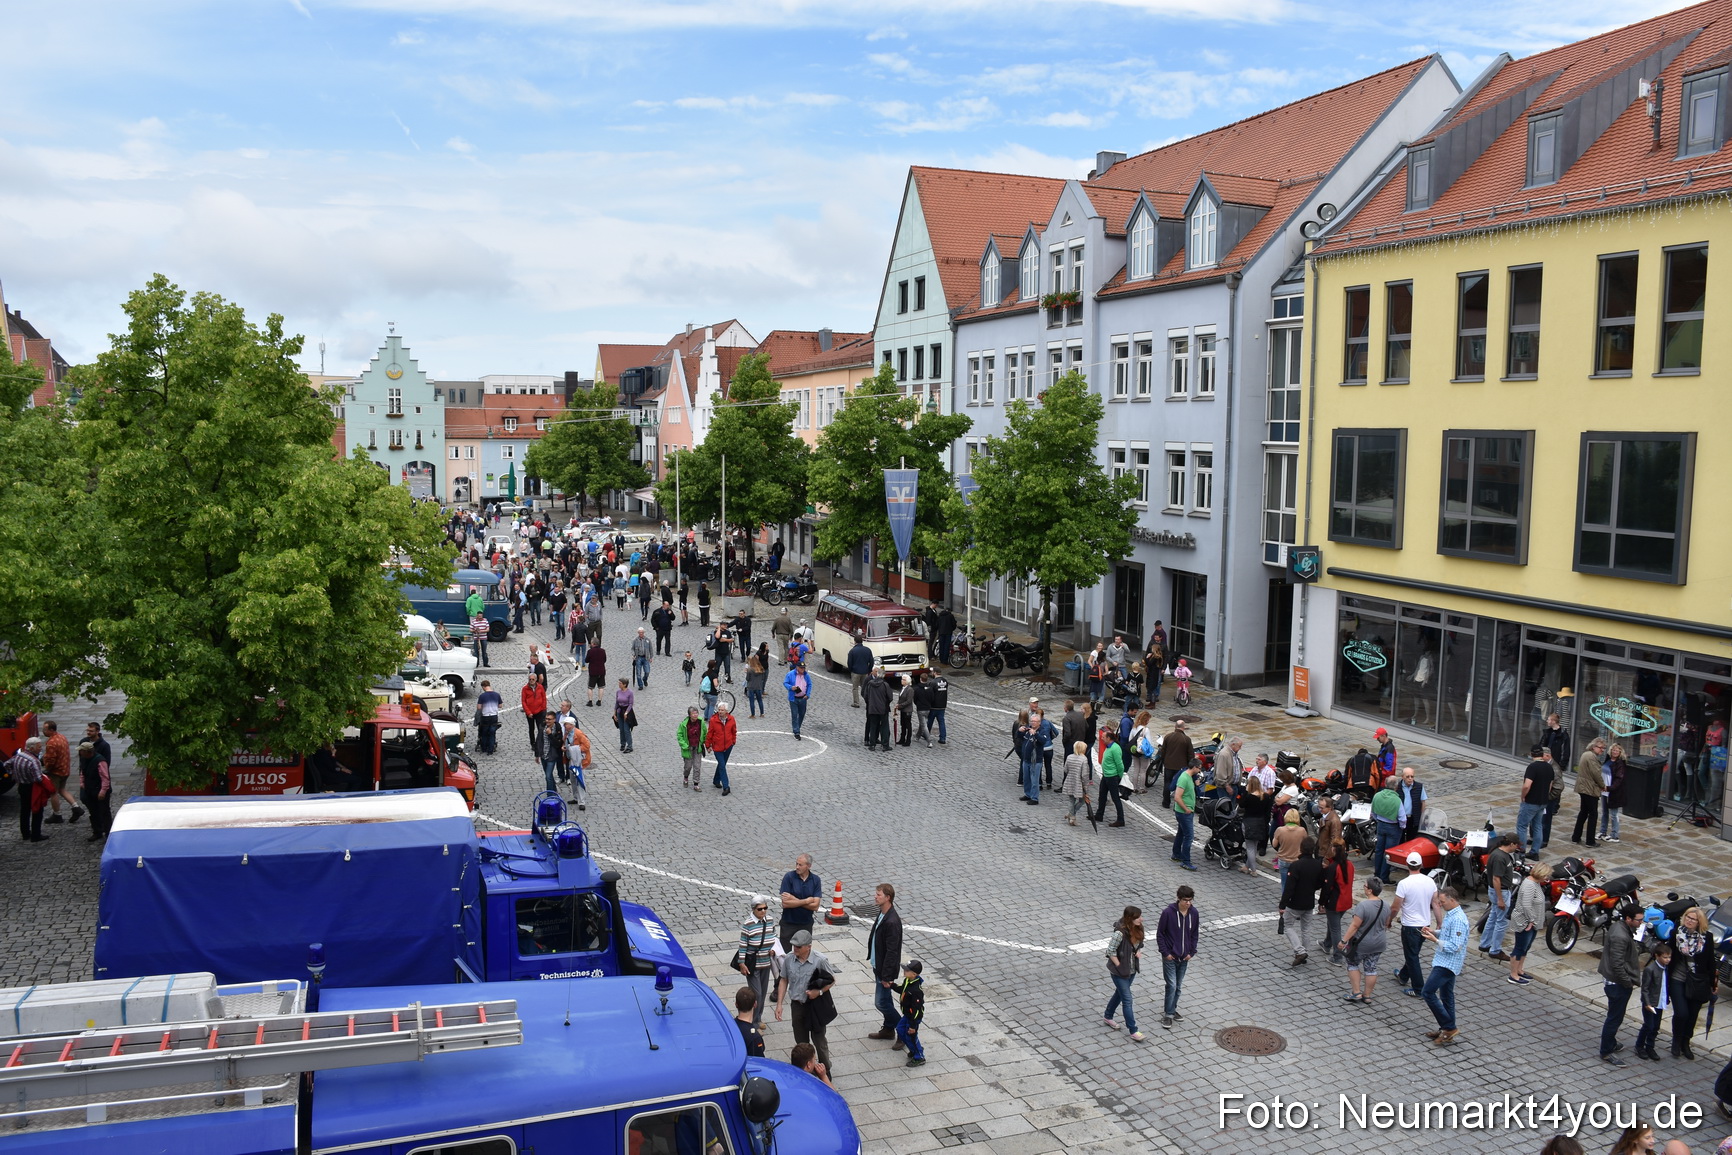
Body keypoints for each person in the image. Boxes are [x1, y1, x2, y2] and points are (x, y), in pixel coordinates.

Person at [774, 929, 837, 1076]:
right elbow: (784, 979)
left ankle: (825, 1070)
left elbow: (832, 980)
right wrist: (779, 1004)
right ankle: (804, 1069)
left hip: (815, 1007)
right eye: (793, 946)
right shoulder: (789, 959)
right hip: (797, 1006)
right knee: (801, 1043)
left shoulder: (820, 960)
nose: (795, 949)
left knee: (819, 1040)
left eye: (798, 946)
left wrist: (819, 992)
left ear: (808, 946)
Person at [1420, 886, 1469, 1046]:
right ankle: (1446, 1029)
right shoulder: (1451, 915)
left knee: (1427, 992)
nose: (1440, 905)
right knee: (1447, 996)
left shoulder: (1459, 920)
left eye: (1442, 902)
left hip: (1448, 963)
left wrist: (1435, 941)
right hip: (1444, 960)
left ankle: (1449, 1027)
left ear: (1452, 900)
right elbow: (1447, 933)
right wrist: (1434, 932)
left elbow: (1455, 946)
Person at [1668, 905, 1718, 1059]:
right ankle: (1676, 1041)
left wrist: (1713, 984)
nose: (1689, 921)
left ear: (1699, 922)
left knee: (1692, 1015)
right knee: (1681, 1013)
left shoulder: (1706, 937)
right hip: (1678, 978)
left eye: (1693, 919)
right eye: (1688, 917)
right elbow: (1669, 955)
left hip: (1697, 981)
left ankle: (1685, 1042)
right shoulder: (1676, 933)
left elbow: (1710, 962)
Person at [1599, 901, 1644, 1066]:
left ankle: (1610, 1043)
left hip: (1615, 980)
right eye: (1639, 920)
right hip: (1617, 983)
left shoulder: (1619, 927)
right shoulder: (1621, 936)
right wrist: (1627, 982)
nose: (1641, 923)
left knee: (1614, 1015)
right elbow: (1617, 964)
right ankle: (1606, 1051)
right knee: (1614, 1018)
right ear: (1628, 919)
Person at [1389, 851, 1438, 998]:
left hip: (1410, 926)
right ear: (1421, 865)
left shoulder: (1404, 884)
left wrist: (1389, 920)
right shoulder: (1430, 881)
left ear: (1407, 865)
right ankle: (1403, 976)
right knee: (1413, 953)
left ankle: (1418, 989)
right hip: (1425, 924)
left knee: (1412, 956)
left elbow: (1395, 907)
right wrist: (1440, 923)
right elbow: (1435, 903)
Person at [865, 884, 904, 1044]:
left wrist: (887, 976)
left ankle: (903, 1029)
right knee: (886, 1001)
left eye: (879, 894)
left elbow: (892, 951)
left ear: (888, 897)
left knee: (880, 1002)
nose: (875, 896)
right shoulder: (883, 914)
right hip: (879, 966)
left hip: (884, 971)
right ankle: (888, 1029)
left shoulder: (891, 921)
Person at [1156, 885, 1199, 1028]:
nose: (1188, 903)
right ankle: (1168, 1014)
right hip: (1170, 956)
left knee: (1178, 986)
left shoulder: (1194, 913)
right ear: (1179, 899)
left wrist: (1191, 952)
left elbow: (1194, 934)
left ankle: (1172, 1010)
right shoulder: (1168, 913)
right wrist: (1165, 953)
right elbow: (1160, 934)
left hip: (1184, 956)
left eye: (1190, 900)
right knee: (1172, 985)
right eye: (1185, 900)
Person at [1339, 877, 1387, 1003]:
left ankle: (1356, 992)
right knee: (1371, 968)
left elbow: (1355, 926)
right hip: (1379, 943)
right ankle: (1367, 995)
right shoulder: (1385, 905)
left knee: (1352, 964)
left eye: (1365, 886)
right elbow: (1386, 924)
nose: (1363, 887)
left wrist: (1344, 941)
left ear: (1370, 890)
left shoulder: (1363, 906)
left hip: (1362, 943)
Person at [1103, 905, 1146, 1042]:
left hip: (1131, 970)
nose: (1141, 919)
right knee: (1127, 999)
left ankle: (1108, 1016)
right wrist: (1119, 965)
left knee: (1119, 994)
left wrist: (1138, 952)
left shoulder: (1138, 928)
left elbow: (1139, 944)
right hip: (1119, 972)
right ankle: (1133, 1030)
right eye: (1138, 917)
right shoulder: (1119, 933)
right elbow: (1110, 951)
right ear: (1129, 919)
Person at [1279, 836, 1324, 966]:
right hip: (1309, 901)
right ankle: (1305, 951)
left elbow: (1289, 888)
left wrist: (1282, 904)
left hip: (1295, 903)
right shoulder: (1318, 865)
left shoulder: (1296, 866)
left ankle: (1300, 950)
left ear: (1301, 848)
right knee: (1306, 928)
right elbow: (1320, 883)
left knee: (1288, 926)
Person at [735, 896, 776, 1032]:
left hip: (766, 962)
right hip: (753, 964)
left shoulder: (769, 920)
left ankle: (758, 1018)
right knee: (756, 994)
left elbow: (774, 936)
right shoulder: (748, 924)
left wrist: (773, 950)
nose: (763, 911)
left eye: (765, 908)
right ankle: (751, 1022)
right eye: (760, 909)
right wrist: (742, 963)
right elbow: (743, 945)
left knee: (763, 993)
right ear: (753, 909)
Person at [1479, 833, 1521, 959]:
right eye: (1516, 845)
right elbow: (1496, 879)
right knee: (1501, 921)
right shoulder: (1499, 857)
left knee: (1493, 917)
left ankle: (1485, 944)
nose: (1517, 848)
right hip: (1501, 892)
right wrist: (1500, 899)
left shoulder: (1499, 854)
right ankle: (1495, 950)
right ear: (1511, 844)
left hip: (1498, 891)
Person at [1507, 861, 1549, 985]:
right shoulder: (1530, 885)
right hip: (1525, 922)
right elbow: (1526, 905)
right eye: (1546, 875)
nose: (1547, 878)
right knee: (1520, 948)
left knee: (1526, 947)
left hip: (1532, 922)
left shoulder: (1534, 883)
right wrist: (1531, 920)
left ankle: (1519, 969)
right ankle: (1513, 974)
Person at [1636, 941, 1673, 1061]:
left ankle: (1650, 1046)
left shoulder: (1666, 969)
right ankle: (1639, 1046)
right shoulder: (1650, 969)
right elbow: (1645, 988)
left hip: (1659, 1001)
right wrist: (1647, 1003)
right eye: (1665, 957)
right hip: (1651, 1002)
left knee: (1656, 1026)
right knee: (1648, 1025)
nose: (1668, 960)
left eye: (1669, 957)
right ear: (1657, 956)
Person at [77, 723, 114, 842]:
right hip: (89, 787)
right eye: (88, 730)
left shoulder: (102, 751)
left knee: (104, 811)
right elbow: (82, 769)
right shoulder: (84, 751)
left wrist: (103, 790)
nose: (88, 732)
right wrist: (82, 784)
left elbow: (105, 775)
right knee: (93, 811)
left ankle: (108, 833)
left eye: (91, 730)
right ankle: (97, 831)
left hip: (99, 786)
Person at [777, 854, 822, 951]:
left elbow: (815, 906)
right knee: (784, 954)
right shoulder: (789, 877)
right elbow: (785, 903)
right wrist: (806, 901)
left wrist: (794, 899)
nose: (797, 867)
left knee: (804, 953)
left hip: (806, 923)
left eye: (800, 865)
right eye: (796, 864)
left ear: (808, 866)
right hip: (788, 923)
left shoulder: (816, 880)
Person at [39, 721, 79, 825]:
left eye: (45, 729)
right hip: (65, 769)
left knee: (53, 793)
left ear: (51, 730)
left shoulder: (51, 742)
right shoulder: (62, 737)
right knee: (62, 790)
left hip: (56, 772)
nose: (43, 731)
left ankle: (57, 815)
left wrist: (47, 768)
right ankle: (76, 807)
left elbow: (51, 760)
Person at [1517, 745, 1554, 857]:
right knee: (1538, 826)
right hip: (1542, 802)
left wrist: (1523, 796)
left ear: (1532, 754)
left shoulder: (1532, 767)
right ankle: (1535, 852)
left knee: (1522, 826)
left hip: (1531, 802)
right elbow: (1550, 786)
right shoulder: (1549, 767)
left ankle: (1521, 852)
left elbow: (1527, 785)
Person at [1322, 844, 1355, 965]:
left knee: (1335, 928)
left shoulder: (1333, 867)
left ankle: (1337, 956)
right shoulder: (1350, 864)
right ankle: (1326, 943)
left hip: (1335, 902)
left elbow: (1327, 887)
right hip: (1346, 901)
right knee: (1332, 922)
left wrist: (1322, 902)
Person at [1571, 736, 1607, 847]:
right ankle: (1590, 841)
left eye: (1603, 748)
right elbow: (1596, 774)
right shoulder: (1591, 757)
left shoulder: (1585, 754)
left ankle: (1576, 836)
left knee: (1583, 812)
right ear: (1594, 746)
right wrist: (1602, 785)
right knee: (1593, 814)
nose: (1602, 750)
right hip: (1589, 789)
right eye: (1601, 748)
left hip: (1583, 787)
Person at [10, 737, 47, 842]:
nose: (41, 749)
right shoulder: (34, 761)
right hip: (33, 787)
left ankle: (25, 833)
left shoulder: (18, 756)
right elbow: (38, 778)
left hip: (22, 786)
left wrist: (14, 775)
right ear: (32, 748)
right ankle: (36, 835)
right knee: (37, 810)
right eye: (39, 747)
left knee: (24, 810)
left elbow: (6, 764)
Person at [1093, 726, 1126, 828]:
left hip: (1112, 777)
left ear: (1109, 738)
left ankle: (1121, 819)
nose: (1101, 738)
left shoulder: (1115, 748)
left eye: (1103, 737)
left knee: (1115, 798)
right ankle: (1099, 815)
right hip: (1106, 775)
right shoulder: (1109, 747)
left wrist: (1119, 777)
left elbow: (1120, 765)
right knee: (1102, 796)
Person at [1370, 778, 1402, 882]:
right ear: (1396, 787)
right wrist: (1402, 827)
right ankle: (1384, 877)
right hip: (1393, 827)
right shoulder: (1397, 800)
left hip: (1381, 825)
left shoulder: (1377, 796)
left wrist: (1378, 820)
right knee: (1388, 853)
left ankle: (1377, 873)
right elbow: (1402, 818)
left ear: (1385, 783)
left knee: (1379, 850)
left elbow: (1373, 812)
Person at [895, 960, 926, 1067]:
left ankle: (919, 1056)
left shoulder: (916, 990)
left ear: (914, 974)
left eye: (907, 970)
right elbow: (902, 989)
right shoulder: (908, 981)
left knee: (911, 1036)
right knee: (900, 1029)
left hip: (913, 1018)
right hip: (907, 1015)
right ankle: (914, 1049)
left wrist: (913, 1025)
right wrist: (891, 986)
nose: (904, 971)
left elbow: (916, 1009)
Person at [1239, 775, 1270, 874]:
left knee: (1250, 847)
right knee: (1254, 846)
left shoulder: (1249, 797)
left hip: (1249, 822)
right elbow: (1267, 812)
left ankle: (1253, 870)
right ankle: (1246, 867)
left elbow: (1241, 805)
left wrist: (1245, 791)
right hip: (1260, 822)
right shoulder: (1265, 796)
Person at [1159, 720, 1193, 811]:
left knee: (1167, 783)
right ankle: (1176, 806)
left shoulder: (1168, 737)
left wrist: (1164, 760)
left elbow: (1163, 751)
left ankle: (1166, 802)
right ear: (1183, 727)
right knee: (1179, 786)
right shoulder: (1186, 739)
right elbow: (1190, 755)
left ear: (1175, 726)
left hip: (1169, 765)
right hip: (1181, 767)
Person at [1170, 760, 1198, 871]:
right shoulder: (1184, 778)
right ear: (1194, 767)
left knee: (1181, 833)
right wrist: (1186, 809)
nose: (1200, 770)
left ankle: (1176, 854)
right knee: (1189, 836)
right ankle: (1186, 862)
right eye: (1199, 768)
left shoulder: (1188, 777)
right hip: (1184, 812)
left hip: (1184, 812)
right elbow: (1177, 797)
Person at [1059, 741, 1094, 827]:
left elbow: (1065, 769)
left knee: (1071, 800)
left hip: (1070, 780)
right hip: (1079, 783)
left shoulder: (1069, 757)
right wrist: (1086, 789)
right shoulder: (1084, 759)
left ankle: (1071, 814)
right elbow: (1084, 775)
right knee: (1082, 800)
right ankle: (1072, 815)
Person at [706, 703, 736, 796]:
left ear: (726, 711)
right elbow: (710, 733)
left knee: (722, 764)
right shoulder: (713, 720)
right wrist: (708, 745)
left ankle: (716, 780)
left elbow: (733, 731)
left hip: (728, 746)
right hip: (717, 747)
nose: (720, 712)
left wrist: (733, 741)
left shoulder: (731, 719)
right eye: (719, 709)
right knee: (722, 765)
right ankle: (726, 786)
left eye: (722, 710)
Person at [1271, 810, 1305, 890]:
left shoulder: (1280, 830)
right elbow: (1305, 844)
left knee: (1284, 883)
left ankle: (1285, 900)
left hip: (1283, 859)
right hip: (1297, 860)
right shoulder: (1302, 830)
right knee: (1296, 883)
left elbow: (1274, 844)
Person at [862, 667, 892, 753]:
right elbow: (890, 697)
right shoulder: (885, 685)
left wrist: (870, 703)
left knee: (873, 726)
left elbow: (866, 696)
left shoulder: (870, 684)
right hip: (883, 709)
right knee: (884, 726)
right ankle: (885, 745)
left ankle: (872, 745)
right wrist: (886, 704)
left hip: (872, 708)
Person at [563, 716, 591, 809]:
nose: (564, 726)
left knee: (579, 780)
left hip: (580, 761)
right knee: (573, 780)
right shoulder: (567, 733)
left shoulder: (578, 733)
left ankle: (581, 802)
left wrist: (573, 749)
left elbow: (586, 745)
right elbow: (565, 744)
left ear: (571, 725)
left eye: (566, 724)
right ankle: (575, 798)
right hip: (572, 760)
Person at [1604, 742, 1628, 843]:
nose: (1615, 752)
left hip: (1614, 792)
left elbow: (1619, 780)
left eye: (1617, 751)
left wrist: (1609, 788)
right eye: (1613, 750)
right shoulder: (1608, 760)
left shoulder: (1620, 764)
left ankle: (1615, 834)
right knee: (1605, 812)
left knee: (1614, 814)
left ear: (1620, 752)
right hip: (1605, 790)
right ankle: (1603, 831)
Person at [536, 709, 565, 794]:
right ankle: (554, 790)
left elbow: (557, 744)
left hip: (552, 756)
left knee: (548, 776)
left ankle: (550, 794)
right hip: (543, 755)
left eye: (549, 719)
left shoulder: (557, 728)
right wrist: (537, 754)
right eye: (546, 719)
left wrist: (550, 735)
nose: (547, 721)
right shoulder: (542, 727)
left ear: (554, 720)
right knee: (548, 775)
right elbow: (538, 740)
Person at [677, 706, 705, 792]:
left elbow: (705, 732)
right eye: (693, 713)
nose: (695, 715)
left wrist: (704, 742)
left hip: (697, 747)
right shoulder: (684, 724)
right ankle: (686, 777)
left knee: (697, 766)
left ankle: (696, 784)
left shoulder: (701, 722)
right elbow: (679, 735)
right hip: (688, 748)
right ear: (689, 715)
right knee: (688, 766)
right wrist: (684, 745)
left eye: (696, 713)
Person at [783, 659, 811, 740]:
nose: (803, 669)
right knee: (794, 714)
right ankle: (796, 731)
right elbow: (785, 683)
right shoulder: (790, 674)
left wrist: (808, 694)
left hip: (803, 698)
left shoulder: (806, 675)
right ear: (797, 667)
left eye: (803, 668)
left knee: (802, 714)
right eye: (801, 668)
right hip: (794, 698)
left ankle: (797, 727)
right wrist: (791, 687)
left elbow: (809, 684)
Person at [1396, 766, 1426, 841]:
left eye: (1412, 776)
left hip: (1413, 818)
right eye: (1407, 777)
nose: (1410, 778)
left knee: (1412, 839)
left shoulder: (1419, 787)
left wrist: (1422, 817)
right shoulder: (1397, 787)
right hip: (1401, 817)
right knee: (1400, 839)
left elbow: (1423, 802)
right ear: (1402, 777)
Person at [734, 986, 765, 1058]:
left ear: (736, 1004)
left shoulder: (730, 1026)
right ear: (755, 1004)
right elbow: (759, 1062)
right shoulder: (754, 1037)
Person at [475, 680, 502, 754]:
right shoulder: (497, 695)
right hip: (494, 716)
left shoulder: (482, 696)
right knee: (492, 733)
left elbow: (479, 707)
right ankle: (491, 750)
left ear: (483, 687)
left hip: (485, 716)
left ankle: (484, 748)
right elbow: (500, 705)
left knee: (484, 733)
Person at [846, 633, 873, 708]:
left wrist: (851, 670)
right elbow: (871, 661)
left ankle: (856, 703)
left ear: (855, 641)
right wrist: (869, 669)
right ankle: (868, 702)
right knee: (865, 688)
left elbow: (849, 662)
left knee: (855, 688)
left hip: (855, 672)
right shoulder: (868, 650)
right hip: (865, 671)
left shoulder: (852, 651)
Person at [522, 673, 548, 749]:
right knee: (531, 728)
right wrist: (528, 712)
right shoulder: (525, 689)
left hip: (540, 711)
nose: (531, 681)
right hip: (530, 712)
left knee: (540, 728)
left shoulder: (540, 687)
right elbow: (523, 701)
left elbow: (544, 698)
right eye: (530, 679)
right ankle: (532, 743)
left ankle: (539, 742)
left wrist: (543, 709)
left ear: (536, 679)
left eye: (533, 679)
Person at [744, 643, 769, 718]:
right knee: (760, 700)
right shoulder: (761, 669)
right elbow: (762, 679)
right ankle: (762, 713)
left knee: (752, 701)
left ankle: (753, 714)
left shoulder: (750, 670)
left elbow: (747, 679)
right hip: (758, 686)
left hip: (751, 687)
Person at [613, 678, 636, 754]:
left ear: (624, 684)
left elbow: (630, 704)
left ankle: (630, 746)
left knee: (626, 730)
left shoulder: (630, 693)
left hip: (627, 712)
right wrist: (614, 713)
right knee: (621, 729)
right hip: (620, 712)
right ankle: (622, 744)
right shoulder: (618, 692)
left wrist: (626, 713)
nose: (619, 684)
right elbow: (617, 703)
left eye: (620, 683)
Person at [585, 638, 609, 708]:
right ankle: (599, 701)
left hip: (593, 671)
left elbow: (586, 660)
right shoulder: (603, 651)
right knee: (601, 687)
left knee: (590, 687)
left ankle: (590, 701)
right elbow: (605, 660)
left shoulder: (590, 651)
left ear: (593, 644)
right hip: (601, 671)